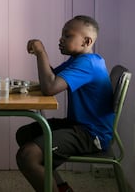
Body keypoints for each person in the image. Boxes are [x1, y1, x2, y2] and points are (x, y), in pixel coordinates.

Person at [15, 15, 114, 192]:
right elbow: (51, 78)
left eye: (67, 36)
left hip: (91, 135)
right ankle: (61, 187)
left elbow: (50, 87)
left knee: (28, 156)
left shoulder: (88, 64)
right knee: (25, 134)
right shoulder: (78, 60)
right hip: (77, 126)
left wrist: (41, 52)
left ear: (86, 41)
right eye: (62, 35)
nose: (61, 39)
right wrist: (40, 56)